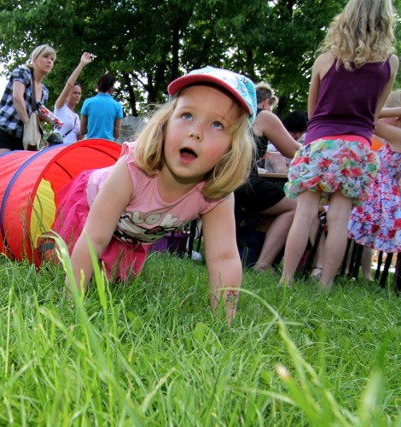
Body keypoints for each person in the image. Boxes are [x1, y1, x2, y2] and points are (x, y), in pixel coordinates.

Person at [51, 66, 256, 324]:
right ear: (166, 124)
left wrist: (225, 323)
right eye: (187, 115)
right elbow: (94, 236)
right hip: (90, 207)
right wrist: (71, 303)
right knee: (63, 264)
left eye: (217, 124)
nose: (196, 132)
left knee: (113, 282)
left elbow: (223, 258)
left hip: (133, 232)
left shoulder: (216, 193)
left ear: (233, 147)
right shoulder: (134, 168)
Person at [279, 0, 399, 289]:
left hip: (320, 142)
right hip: (357, 146)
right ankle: (326, 284)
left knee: (304, 213)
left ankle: (286, 279)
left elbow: (313, 111)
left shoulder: (325, 60)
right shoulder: (389, 63)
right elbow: (373, 114)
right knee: (340, 219)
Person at [234, 81, 317, 273]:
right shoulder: (264, 116)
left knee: (275, 208)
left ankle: (250, 253)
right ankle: (262, 264)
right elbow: (294, 150)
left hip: (224, 182)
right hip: (245, 181)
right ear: (267, 102)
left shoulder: (235, 115)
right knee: (297, 207)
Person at [348, 90, 401, 280]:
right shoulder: (392, 136)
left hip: (379, 192)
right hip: (383, 191)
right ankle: (364, 274)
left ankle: (355, 271)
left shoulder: (396, 134)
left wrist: (394, 109)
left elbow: (369, 117)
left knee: (354, 226)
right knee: (365, 234)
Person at [0, 44, 56, 157]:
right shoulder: (23, 72)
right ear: (34, 59)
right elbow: (17, 97)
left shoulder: (45, 91)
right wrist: (28, 124)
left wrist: (43, 119)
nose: (49, 61)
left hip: (24, 138)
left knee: (19, 173)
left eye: (52, 59)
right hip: (5, 131)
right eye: (46, 56)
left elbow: (35, 116)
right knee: (2, 170)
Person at [54, 52, 93, 144]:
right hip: (58, 149)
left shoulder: (76, 117)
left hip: (70, 152)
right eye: (74, 93)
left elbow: (79, 135)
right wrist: (81, 64)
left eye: (79, 93)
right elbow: (69, 85)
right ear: (68, 94)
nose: (77, 95)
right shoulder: (60, 108)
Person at [80, 72, 123, 141]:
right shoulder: (117, 105)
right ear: (111, 88)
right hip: (107, 145)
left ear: (98, 87)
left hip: (91, 144)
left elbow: (82, 131)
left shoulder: (88, 102)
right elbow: (116, 134)